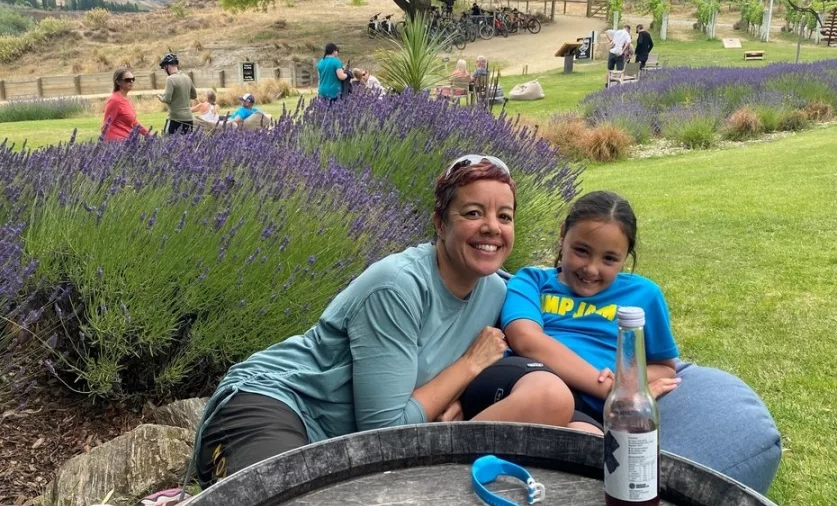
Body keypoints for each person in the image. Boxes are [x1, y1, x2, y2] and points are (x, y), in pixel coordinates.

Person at [191, 155, 575, 488]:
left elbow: (572, 309)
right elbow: (385, 433)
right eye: (473, 213)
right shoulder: (397, 286)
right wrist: (470, 365)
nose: (492, 227)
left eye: (504, 216)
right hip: (278, 401)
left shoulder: (496, 288)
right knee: (274, 492)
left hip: (341, 444)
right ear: (440, 223)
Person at [461, 191, 782, 494]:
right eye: (581, 250)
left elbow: (662, 369)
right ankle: (450, 459)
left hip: (582, 408)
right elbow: (526, 339)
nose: (591, 268)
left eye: (610, 258)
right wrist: (609, 389)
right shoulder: (532, 279)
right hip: (522, 378)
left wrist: (630, 385)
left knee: (595, 453)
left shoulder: (644, 295)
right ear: (563, 235)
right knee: (550, 395)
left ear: (626, 256)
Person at [102, 68, 149, 141]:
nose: (131, 81)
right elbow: (106, 125)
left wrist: (148, 134)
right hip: (116, 143)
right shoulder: (114, 100)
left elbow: (133, 122)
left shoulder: (127, 100)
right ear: (118, 82)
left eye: (133, 79)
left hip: (128, 141)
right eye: (127, 80)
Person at [156, 53, 197, 135]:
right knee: (187, 144)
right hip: (188, 118)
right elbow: (194, 95)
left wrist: (160, 97)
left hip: (174, 118)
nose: (164, 70)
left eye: (164, 67)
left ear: (168, 66)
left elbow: (167, 99)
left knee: (166, 142)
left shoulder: (170, 79)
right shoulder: (187, 77)